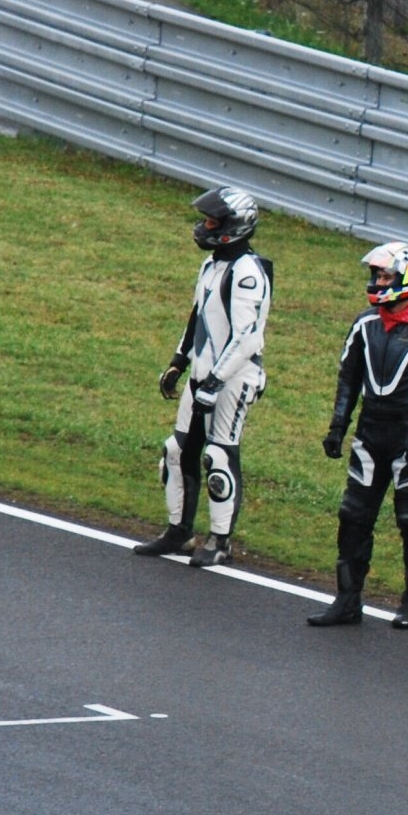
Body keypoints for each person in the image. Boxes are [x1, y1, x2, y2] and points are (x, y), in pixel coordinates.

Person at [306, 242, 408, 630]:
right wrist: (338, 427)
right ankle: (347, 600)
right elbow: (348, 377)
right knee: (353, 515)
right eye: (376, 275)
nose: (377, 282)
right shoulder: (364, 323)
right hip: (369, 433)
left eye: (385, 276)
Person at [132, 188, 272, 568]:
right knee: (176, 451)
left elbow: (247, 338)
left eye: (212, 222)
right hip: (202, 373)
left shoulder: (247, 272)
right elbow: (198, 316)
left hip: (234, 378)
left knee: (218, 455)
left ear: (234, 227)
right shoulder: (211, 265)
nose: (205, 227)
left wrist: (216, 381)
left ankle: (220, 541)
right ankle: (179, 533)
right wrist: (179, 361)